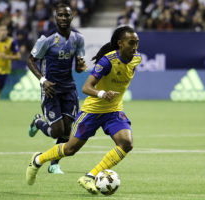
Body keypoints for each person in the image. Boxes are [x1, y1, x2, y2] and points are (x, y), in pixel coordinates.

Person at [26, 25, 141, 194]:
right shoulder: (107, 61)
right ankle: (38, 159)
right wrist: (102, 93)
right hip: (92, 111)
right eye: (131, 43)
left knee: (126, 143)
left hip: (113, 111)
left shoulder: (136, 60)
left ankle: (90, 176)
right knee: (69, 149)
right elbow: (87, 88)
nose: (135, 46)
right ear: (120, 43)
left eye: (137, 42)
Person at [26, 3, 86, 174]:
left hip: (69, 89)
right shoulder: (47, 38)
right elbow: (30, 60)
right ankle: (38, 121)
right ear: (55, 17)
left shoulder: (78, 38)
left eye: (66, 15)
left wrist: (80, 66)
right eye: (60, 15)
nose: (63, 18)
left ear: (71, 17)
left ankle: (54, 164)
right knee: (56, 131)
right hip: (51, 89)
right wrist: (43, 80)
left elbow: (78, 65)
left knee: (68, 130)